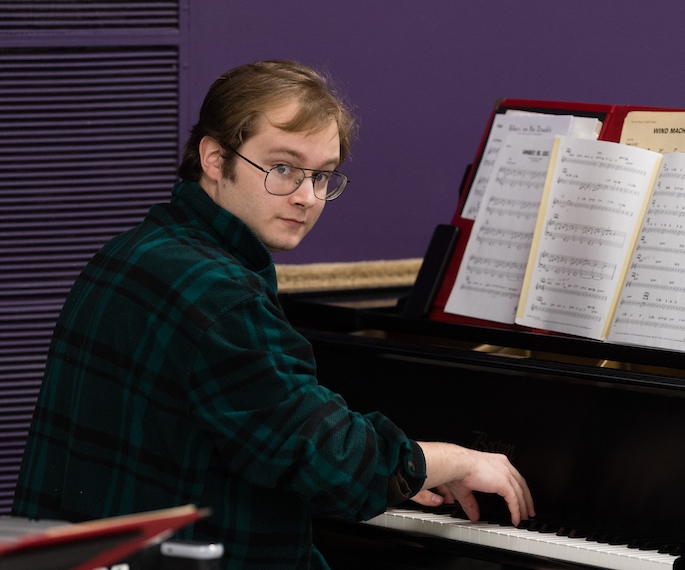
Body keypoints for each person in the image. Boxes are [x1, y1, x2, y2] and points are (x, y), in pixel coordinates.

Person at [12, 60, 534, 569]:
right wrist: (452, 460)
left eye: (323, 176)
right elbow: (335, 464)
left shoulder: (130, 252)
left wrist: (401, 474)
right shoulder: (221, 296)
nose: (307, 197)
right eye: (283, 168)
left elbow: (268, 444)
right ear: (216, 159)